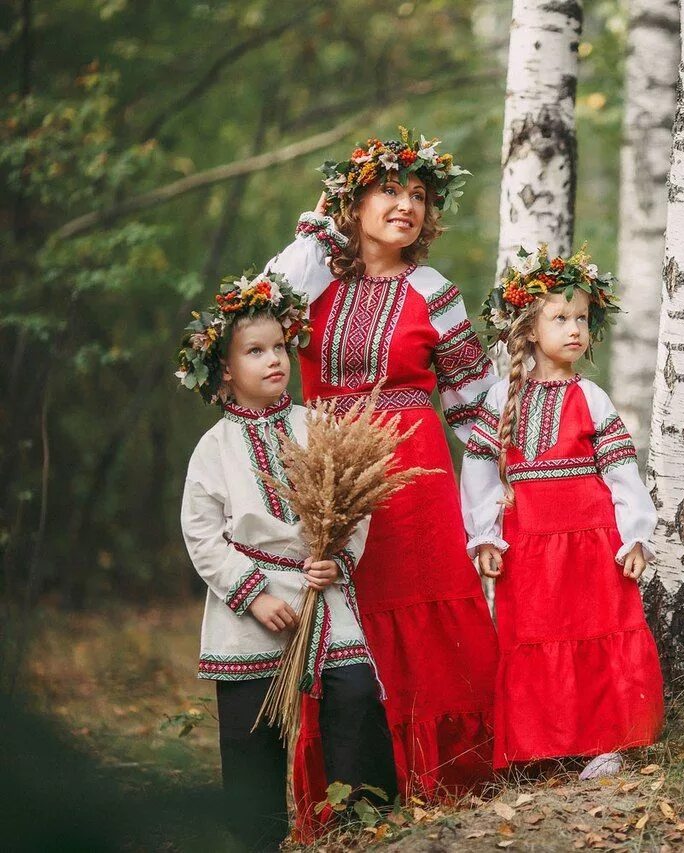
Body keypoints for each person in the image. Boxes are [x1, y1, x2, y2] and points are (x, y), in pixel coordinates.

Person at [261, 128, 500, 809]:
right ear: (353, 203)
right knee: (341, 615)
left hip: (416, 477)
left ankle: (448, 773)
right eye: (389, 190)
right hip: (331, 475)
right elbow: (251, 309)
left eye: (419, 196)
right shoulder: (311, 284)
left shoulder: (433, 290)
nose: (407, 205)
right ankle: (353, 786)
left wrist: (499, 499)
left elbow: (474, 405)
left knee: (422, 608)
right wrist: (316, 236)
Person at [176, 273, 396, 850]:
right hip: (248, 604)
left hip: (319, 587)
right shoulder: (213, 448)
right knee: (252, 733)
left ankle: (364, 827)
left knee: (353, 695)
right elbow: (201, 535)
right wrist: (253, 594)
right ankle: (256, 838)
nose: (274, 360)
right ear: (225, 369)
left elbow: (354, 504)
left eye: (279, 347)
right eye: (255, 351)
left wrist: (337, 559)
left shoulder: (315, 427)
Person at [459, 246, 664, 778]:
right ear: (528, 330)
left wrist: (635, 536)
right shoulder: (502, 397)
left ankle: (608, 740)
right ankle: (540, 744)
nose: (575, 329)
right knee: (533, 633)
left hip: (594, 543)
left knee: (600, 627)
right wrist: (484, 536)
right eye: (560, 318)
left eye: (582, 319)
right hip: (528, 545)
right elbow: (479, 471)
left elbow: (622, 475)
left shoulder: (591, 396)